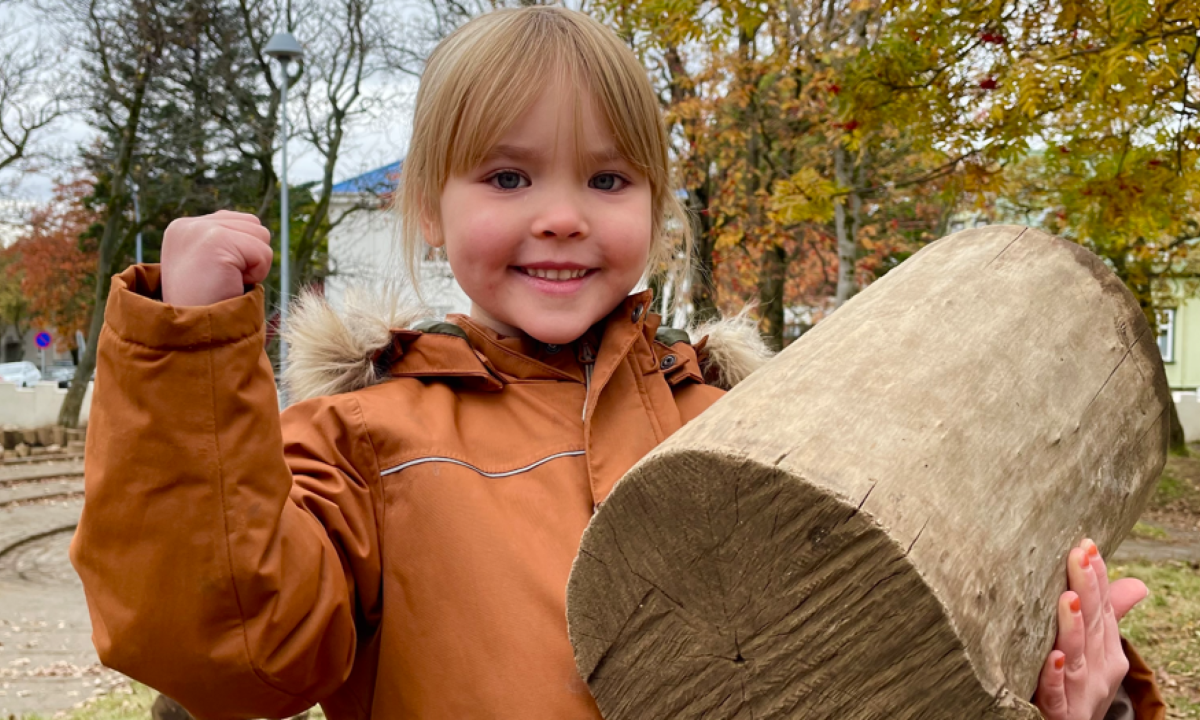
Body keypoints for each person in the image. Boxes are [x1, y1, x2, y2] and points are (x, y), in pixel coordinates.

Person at [70, 7, 1164, 720]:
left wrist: (1074, 703)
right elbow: (227, 649)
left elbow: (888, 665)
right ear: (430, 213)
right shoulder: (364, 443)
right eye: (506, 178)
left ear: (655, 208)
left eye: (606, 180)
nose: (559, 217)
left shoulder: (764, 423)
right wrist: (188, 354)